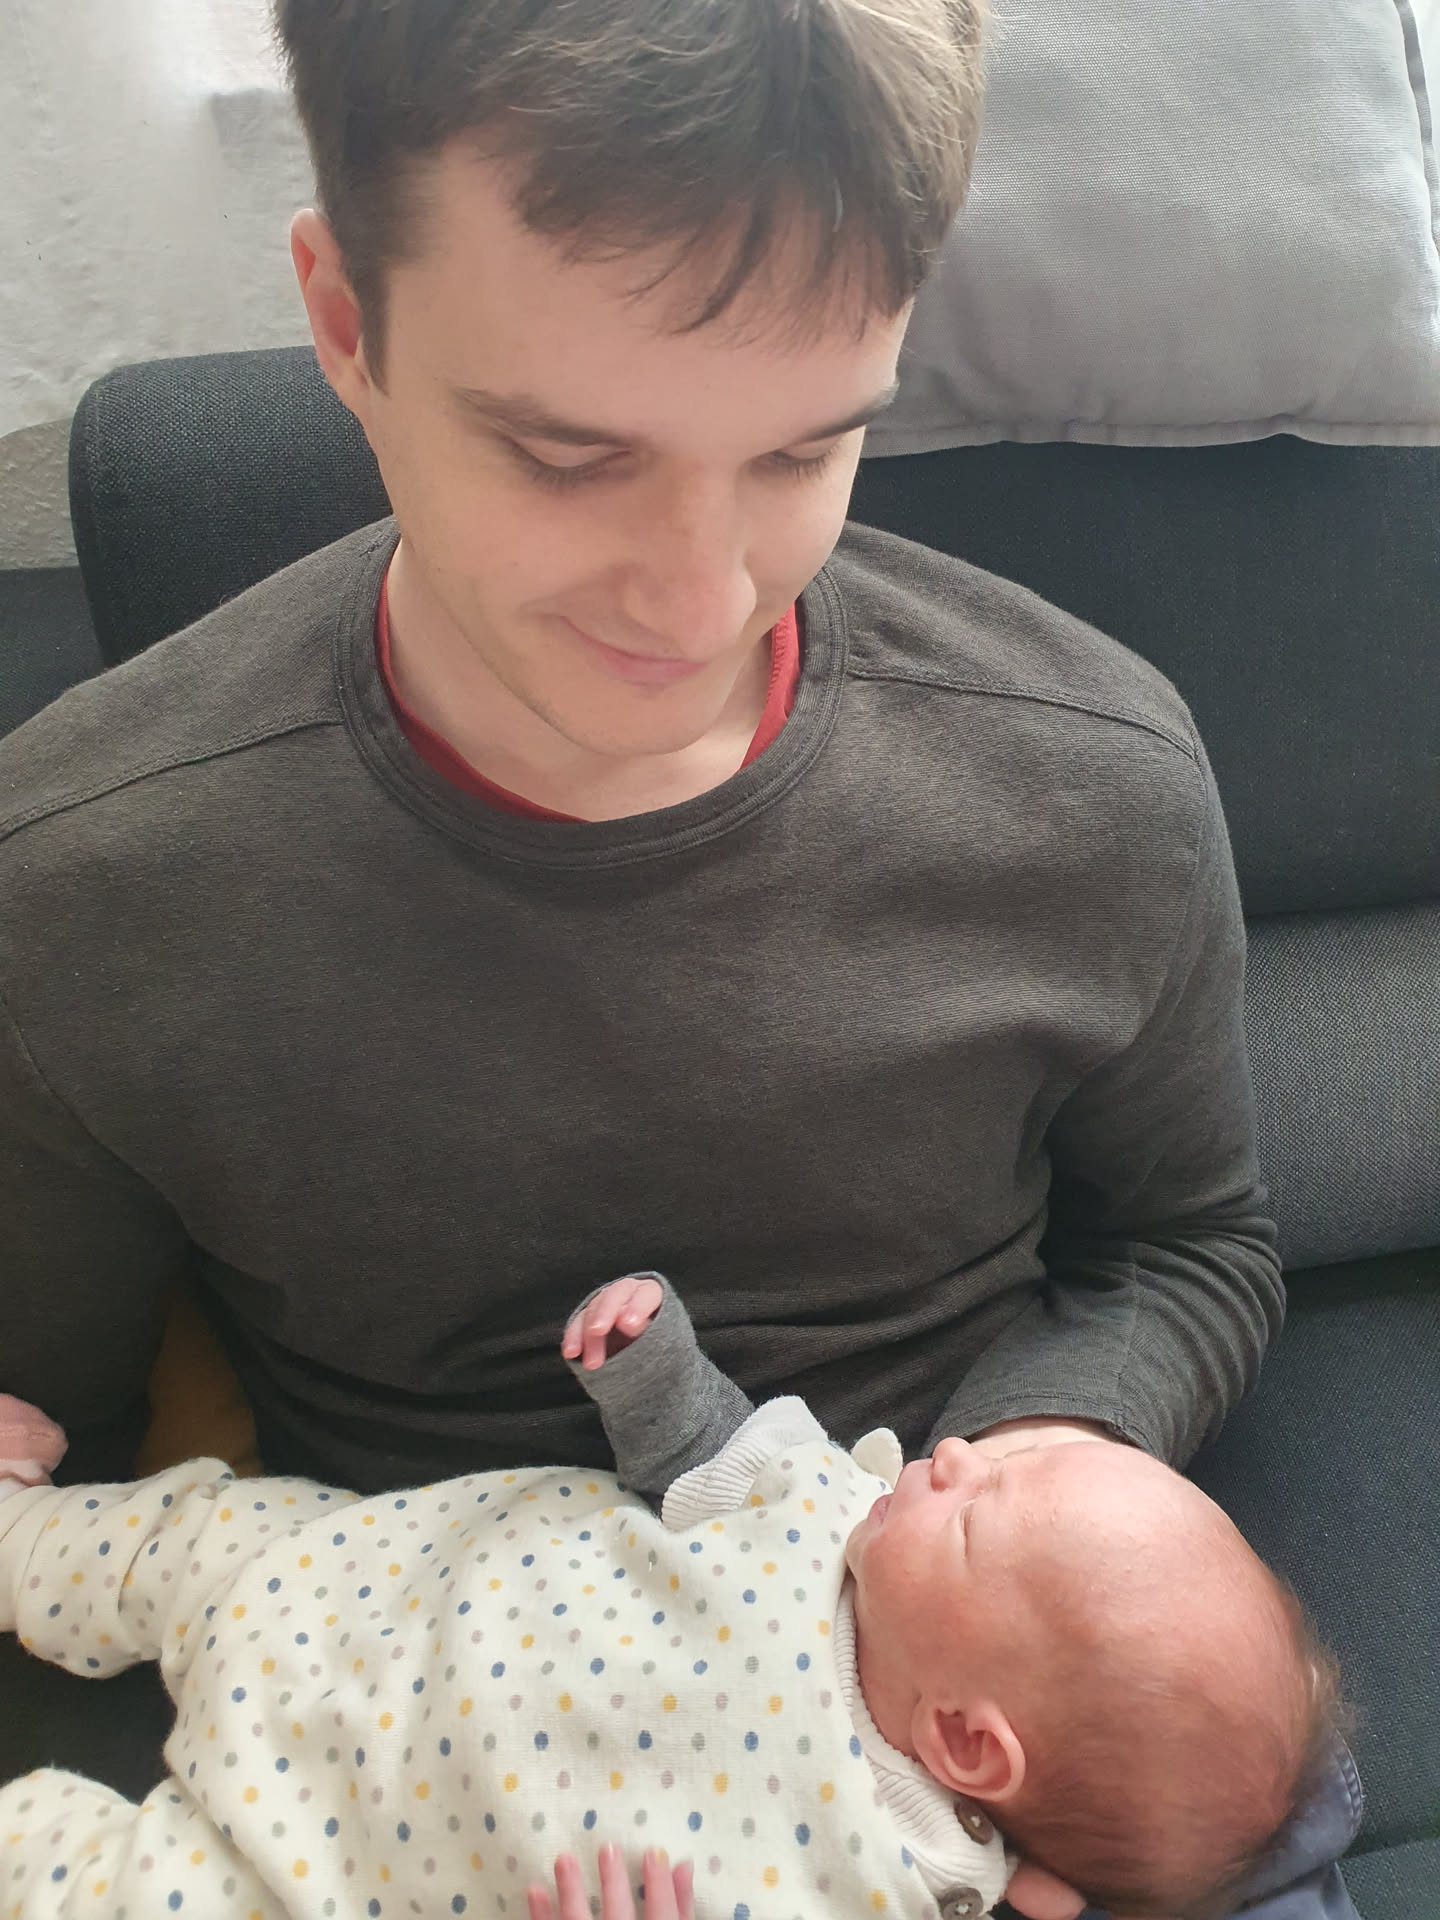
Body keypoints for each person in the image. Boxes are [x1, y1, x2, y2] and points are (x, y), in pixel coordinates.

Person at [0, 0, 1361, 1913]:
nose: (702, 597)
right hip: (407, 1792)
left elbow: (1194, 1249)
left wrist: (998, 1536)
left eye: (807, 448)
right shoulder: (88, 882)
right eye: (567, 455)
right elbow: (52, 1460)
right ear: (345, 322)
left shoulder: (1096, 778)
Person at [0, 1274, 1343, 1920]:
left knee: (91, 1892)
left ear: (968, 1741)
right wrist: (654, 1367)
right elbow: (704, 1450)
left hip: (315, 1866)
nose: (952, 1455)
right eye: (1002, 1457)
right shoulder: (828, 1510)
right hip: (349, 1592)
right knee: (186, 1535)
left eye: (980, 1514)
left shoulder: (876, 1890)